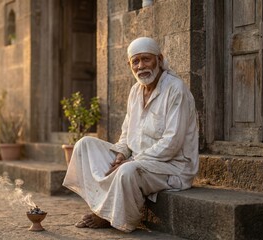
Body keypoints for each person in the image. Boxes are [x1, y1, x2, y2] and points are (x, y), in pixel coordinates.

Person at [62, 37, 199, 232]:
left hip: (171, 166)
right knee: (84, 145)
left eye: (146, 59)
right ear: (130, 65)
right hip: (137, 159)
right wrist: (121, 154)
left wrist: (132, 161)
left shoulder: (176, 89)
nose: (141, 66)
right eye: (136, 61)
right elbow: (127, 133)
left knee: (127, 172)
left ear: (159, 60)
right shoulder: (135, 91)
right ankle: (104, 207)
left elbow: (172, 143)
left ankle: (110, 216)